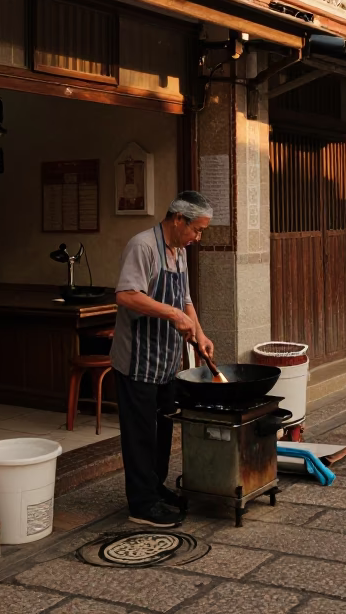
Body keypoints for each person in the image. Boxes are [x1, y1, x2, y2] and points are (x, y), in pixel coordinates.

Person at [112, 190, 215, 527]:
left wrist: (199, 333)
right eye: (196, 230)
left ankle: (154, 489)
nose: (197, 238)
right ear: (177, 220)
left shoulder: (178, 251)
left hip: (167, 361)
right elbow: (127, 294)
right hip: (138, 360)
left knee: (163, 429)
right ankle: (141, 505)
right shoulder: (143, 246)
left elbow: (184, 298)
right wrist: (172, 315)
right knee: (140, 434)